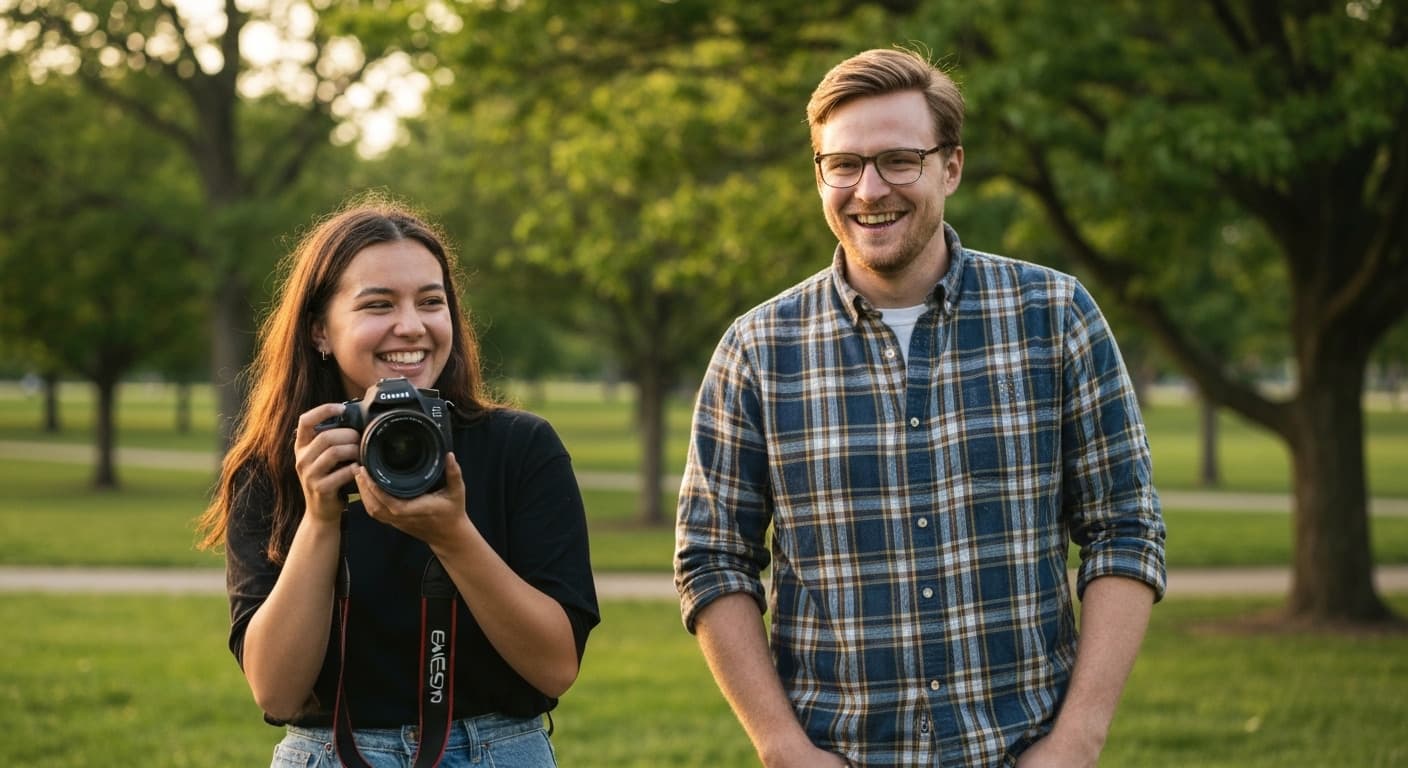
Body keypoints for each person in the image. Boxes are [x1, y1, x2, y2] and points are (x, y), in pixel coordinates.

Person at [674, 47, 1166, 768]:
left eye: (899, 160)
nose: (869, 189)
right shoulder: (755, 350)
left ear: (952, 167)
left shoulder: (1056, 317)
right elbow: (712, 560)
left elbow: (1125, 528)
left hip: (1025, 752)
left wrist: (1079, 739)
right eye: (842, 164)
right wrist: (781, 748)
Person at [197, 199, 599, 768]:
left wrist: (454, 536)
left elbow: (556, 667)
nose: (411, 326)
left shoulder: (518, 448)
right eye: (378, 305)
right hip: (332, 752)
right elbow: (276, 691)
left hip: (501, 751)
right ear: (320, 331)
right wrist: (321, 516)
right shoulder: (280, 464)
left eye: (431, 302)